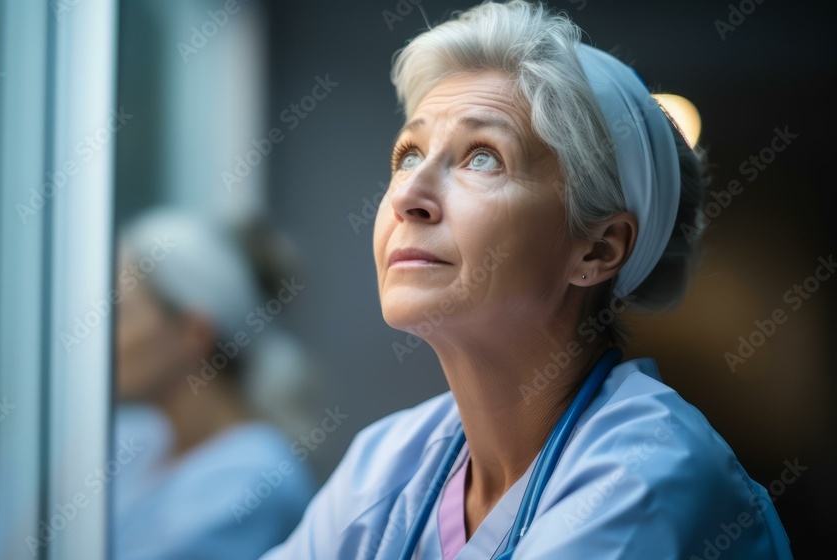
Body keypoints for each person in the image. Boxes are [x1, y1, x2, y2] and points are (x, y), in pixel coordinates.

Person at [261, 2, 792, 558]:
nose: (406, 196)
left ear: (598, 249)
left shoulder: (653, 468)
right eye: (409, 154)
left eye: (484, 158)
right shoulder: (388, 463)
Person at [113, 208, 316, 560]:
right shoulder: (134, 439)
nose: (104, 337)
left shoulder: (255, 480)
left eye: (122, 314)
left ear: (194, 332)